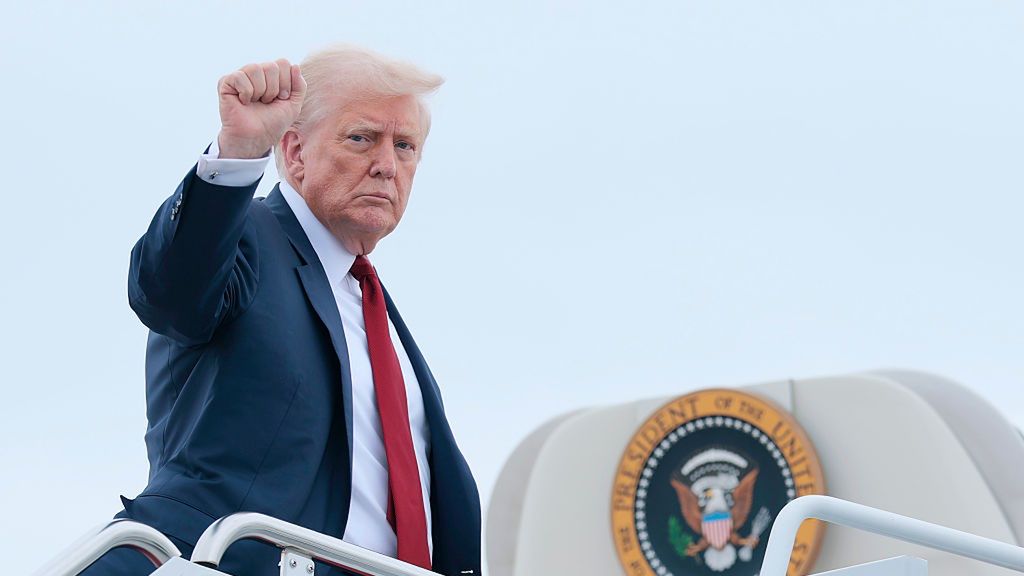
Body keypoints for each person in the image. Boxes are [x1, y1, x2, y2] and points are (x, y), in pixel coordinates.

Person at [81, 45, 481, 576]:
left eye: (405, 146)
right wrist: (239, 151)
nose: (387, 165)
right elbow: (169, 292)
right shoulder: (243, 238)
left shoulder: (378, 317)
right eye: (362, 138)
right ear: (294, 153)